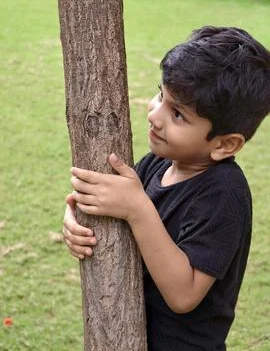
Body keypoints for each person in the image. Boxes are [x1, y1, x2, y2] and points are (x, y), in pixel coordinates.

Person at [62, 26, 270, 350]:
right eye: (161, 95)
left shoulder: (225, 194)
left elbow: (184, 294)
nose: (155, 116)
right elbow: (114, 203)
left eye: (177, 114)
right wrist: (76, 218)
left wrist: (137, 208)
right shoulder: (157, 164)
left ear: (225, 144)